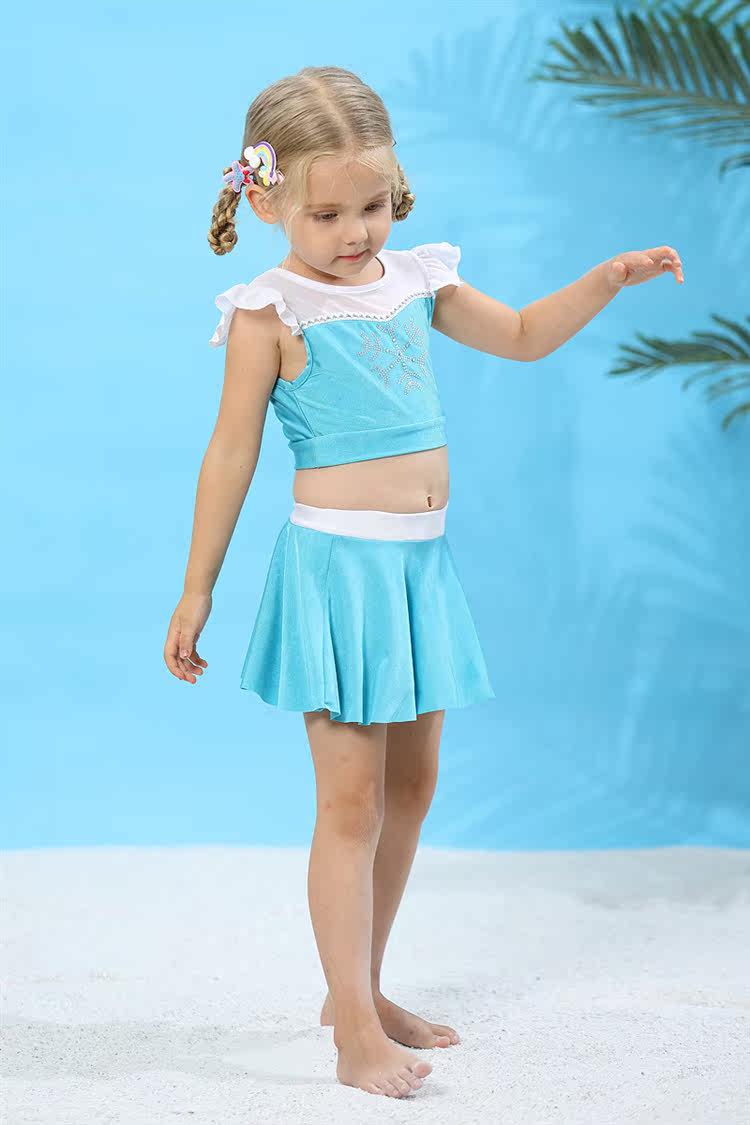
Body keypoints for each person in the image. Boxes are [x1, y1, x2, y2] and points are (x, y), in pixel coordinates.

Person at [163, 65, 684, 1099]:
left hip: (417, 569)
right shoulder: (272, 311)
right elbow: (231, 454)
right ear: (266, 201)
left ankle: (360, 989)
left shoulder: (417, 282)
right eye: (327, 214)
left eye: (374, 205)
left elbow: (524, 336)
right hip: (338, 576)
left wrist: (605, 281)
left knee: (413, 787)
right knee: (349, 803)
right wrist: (197, 588)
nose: (356, 232)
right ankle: (355, 1034)